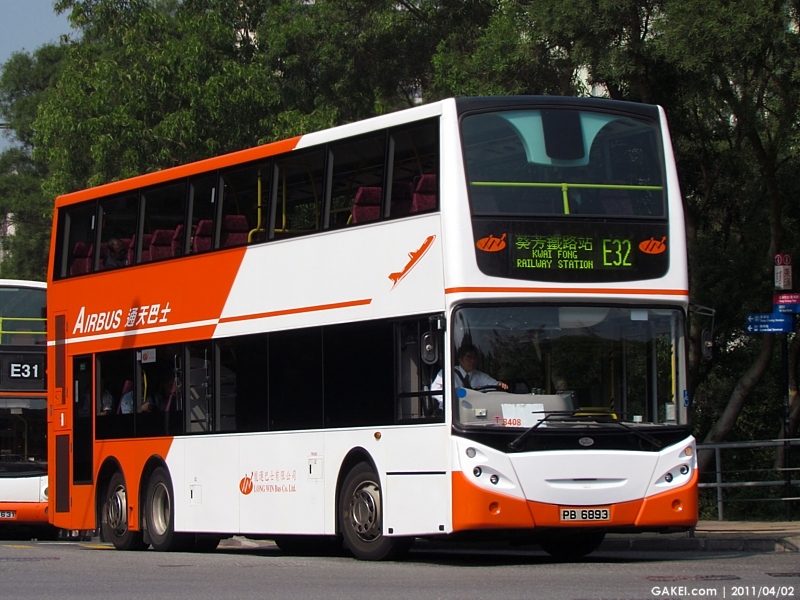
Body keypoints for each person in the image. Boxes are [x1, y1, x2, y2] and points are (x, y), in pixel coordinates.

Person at [431, 344, 509, 410]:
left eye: (474, 357)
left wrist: (499, 384)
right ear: (460, 360)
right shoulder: (447, 373)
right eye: (469, 357)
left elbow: (493, 384)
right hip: (452, 413)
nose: (473, 361)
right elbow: (435, 390)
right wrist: (451, 401)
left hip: (474, 413)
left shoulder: (480, 376)